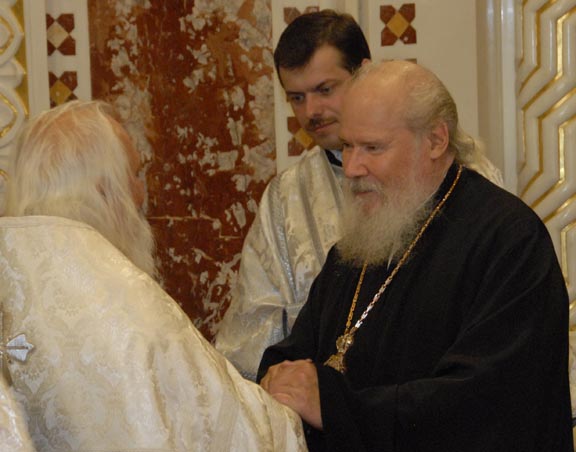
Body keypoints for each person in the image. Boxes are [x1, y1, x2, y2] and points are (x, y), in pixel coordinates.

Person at [257, 60, 573, 451]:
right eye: (347, 146)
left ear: (436, 141)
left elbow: (488, 402)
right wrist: (279, 379)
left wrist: (337, 408)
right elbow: (295, 354)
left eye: (372, 148)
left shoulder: (509, 241)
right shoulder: (359, 246)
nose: (351, 168)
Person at [1, 100, 307, 451]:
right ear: (104, 190)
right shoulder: (126, 307)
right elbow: (230, 429)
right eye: (134, 174)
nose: (141, 194)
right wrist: (285, 410)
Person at [215, 9, 504, 381]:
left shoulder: (464, 180)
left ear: (365, 73)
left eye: (325, 89)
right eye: (297, 97)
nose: (311, 112)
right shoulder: (286, 197)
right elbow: (251, 339)